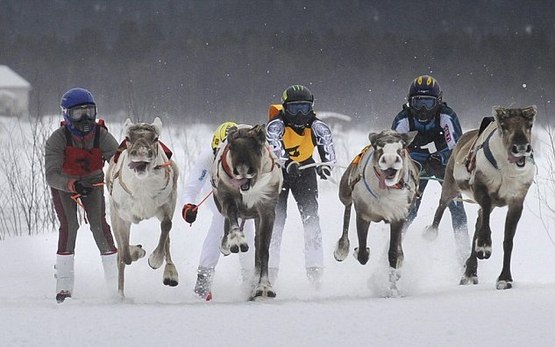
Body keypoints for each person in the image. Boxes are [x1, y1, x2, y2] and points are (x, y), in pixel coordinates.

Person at [45, 87, 119, 303]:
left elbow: (118, 160)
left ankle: (115, 285)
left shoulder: (101, 135)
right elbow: (51, 175)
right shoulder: (57, 139)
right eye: (78, 113)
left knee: (99, 226)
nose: (85, 118)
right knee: (70, 226)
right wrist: (72, 185)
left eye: (89, 111)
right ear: (66, 115)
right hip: (65, 184)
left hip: (93, 181)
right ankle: (64, 287)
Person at [391, 75, 470, 264]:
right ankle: (393, 252)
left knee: (457, 209)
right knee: (409, 210)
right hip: (415, 162)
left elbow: (457, 146)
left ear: (438, 101)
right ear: (410, 102)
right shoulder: (403, 118)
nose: (423, 109)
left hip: (444, 163)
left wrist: (441, 158)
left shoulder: (447, 116)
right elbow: (393, 148)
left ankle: (465, 258)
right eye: (418, 102)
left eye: (428, 102)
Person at [266, 84, 336, 288]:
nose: (299, 114)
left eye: (304, 108)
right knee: (276, 222)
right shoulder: (276, 125)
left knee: (311, 219)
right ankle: (269, 272)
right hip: (278, 173)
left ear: (311, 108)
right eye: (295, 108)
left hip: (305, 172)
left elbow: (328, 150)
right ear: (285, 108)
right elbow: (273, 146)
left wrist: (325, 167)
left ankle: (315, 272)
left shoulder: (318, 126)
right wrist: (287, 163)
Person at [181, 121, 255, 301]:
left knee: (248, 228)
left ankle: (250, 280)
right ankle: (204, 281)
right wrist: (188, 205)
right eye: (219, 153)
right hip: (217, 193)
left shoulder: (249, 156)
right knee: (220, 221)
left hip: (244, 193)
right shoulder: (207, 156)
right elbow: (192, 186)